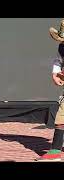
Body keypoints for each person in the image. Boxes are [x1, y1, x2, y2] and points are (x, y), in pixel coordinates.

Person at [36, 20, 64, 161]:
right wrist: (55, 74)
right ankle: (55, 151)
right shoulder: (62, 47)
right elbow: (58, 61)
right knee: (61, 118)